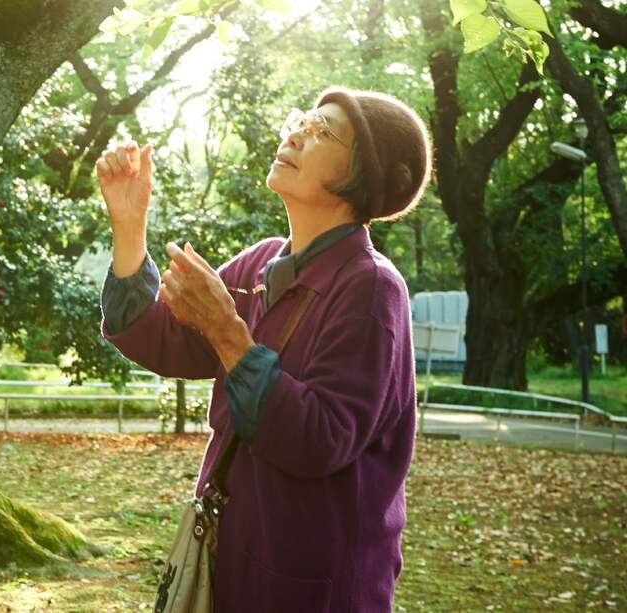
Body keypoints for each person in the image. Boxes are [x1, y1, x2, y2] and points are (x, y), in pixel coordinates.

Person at [95, 86, 432, 612]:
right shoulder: (262, 264)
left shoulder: (370, 287)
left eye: (323, 130)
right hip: (232, 559)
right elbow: (164, 340)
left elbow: (321, 438)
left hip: (313, 581)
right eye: (302, 119)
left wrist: (227, 330)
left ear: (364, 173)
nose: (297, 132)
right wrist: (129, 224)